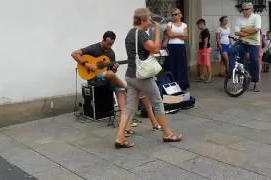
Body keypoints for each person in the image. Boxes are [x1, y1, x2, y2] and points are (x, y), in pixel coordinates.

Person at [114, 8, 182, 149]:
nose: (150, 22)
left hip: (131, 75)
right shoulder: (142, 35)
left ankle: (120, 137)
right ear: (142, 20)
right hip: (142, 76)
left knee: (129, 107)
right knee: (157, 102)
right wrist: (157, 30)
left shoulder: (130, 34)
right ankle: (167, 134)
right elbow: (156, 48)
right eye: (148, 19)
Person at [71, 31, 127, 116]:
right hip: (93, 79)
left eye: (111, 44)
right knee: (112, 76)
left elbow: (112, 73)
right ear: (103, 40)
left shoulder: (111, 53)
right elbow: (74, 54)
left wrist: (114, 69)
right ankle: (127, 87)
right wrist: (87, 64)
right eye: (108, 44)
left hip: (106, 79)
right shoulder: (94, 48)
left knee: (119, 88)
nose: (109, 46)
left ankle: (124, 117)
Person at [234, 2, 261, 92]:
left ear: (251, 9)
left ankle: (255, 82)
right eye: (243, 9)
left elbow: (256, 29)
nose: (244, 11)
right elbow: (237, 32)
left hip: (254, 44)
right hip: (242, 42)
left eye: (247, 9)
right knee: (239, 61)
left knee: (254, 61)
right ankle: (241, 81)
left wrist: (243, 30)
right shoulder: (239, 19)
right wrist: (250, 31)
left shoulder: (257, 17)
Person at [165, 8, 189, 90]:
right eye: (172, 14)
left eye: (175, 14)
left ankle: (182, 84)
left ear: (180, 15)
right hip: (171, 46)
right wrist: (181, 34)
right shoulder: (169, 24)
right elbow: (169, 34)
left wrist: (175, 34)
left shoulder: (184, 25)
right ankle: (172, 83)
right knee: (172, 65)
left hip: (181, 47)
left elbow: (185, 37)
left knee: (181, 65)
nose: (174, 16)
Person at [197, 18, 212, 83]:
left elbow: (206, 42)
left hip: (205, 49)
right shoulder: (202, 31)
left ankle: (209, 78)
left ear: (202, 24)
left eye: (198, 25)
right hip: (201, 49)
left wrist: (204, 50)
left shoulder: (206, 31)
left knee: (207, 64)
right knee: (201, 63)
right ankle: (201, 76)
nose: (198, 27)